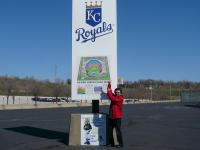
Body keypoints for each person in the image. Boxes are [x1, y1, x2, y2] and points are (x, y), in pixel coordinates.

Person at [107, 81, 124, 148]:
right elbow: (110, 94)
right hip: (111, 116)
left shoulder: (120, 98)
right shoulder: (115, 96)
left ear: (121, 93)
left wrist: (109, 91)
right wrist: (109, 85)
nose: (117, 93)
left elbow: (112, 97)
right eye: (116, 92)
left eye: (118, 92)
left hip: (117, 117)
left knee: (118, 131)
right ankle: (111, 143)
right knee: (110, 131)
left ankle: (120, 144)